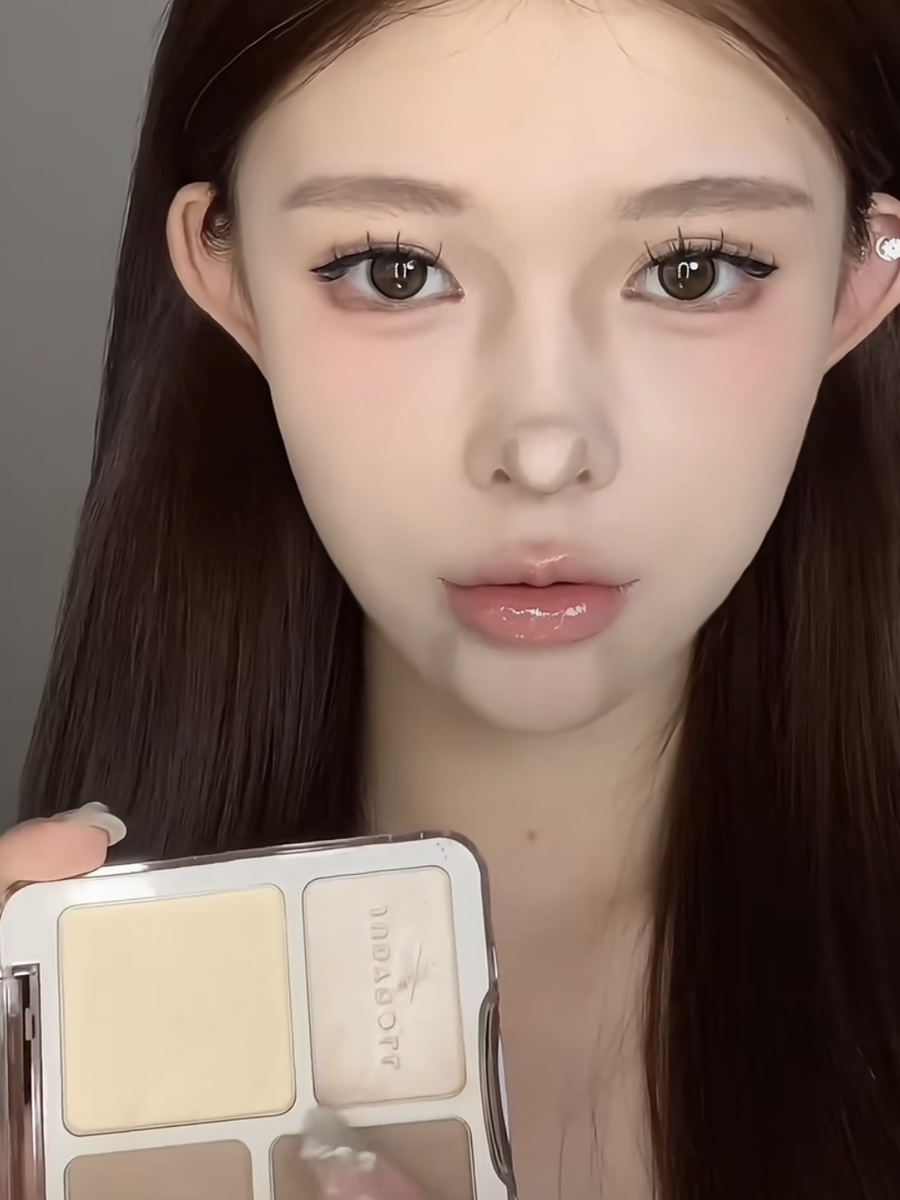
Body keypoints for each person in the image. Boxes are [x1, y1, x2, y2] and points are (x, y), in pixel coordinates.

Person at [5, 0, 900, 1195]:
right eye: (398, 271)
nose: (542, 448)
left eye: (692, 272)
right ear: (228, 274)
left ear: (859, 278)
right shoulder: (65, 1064)